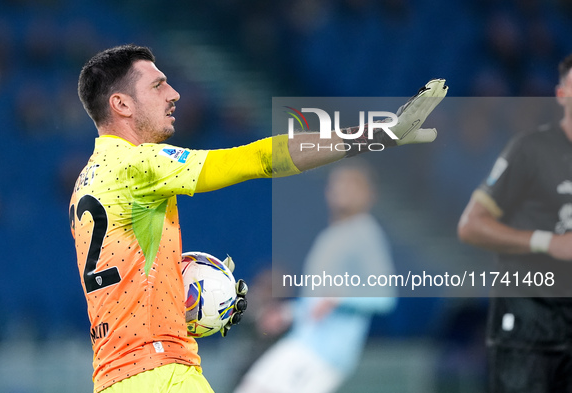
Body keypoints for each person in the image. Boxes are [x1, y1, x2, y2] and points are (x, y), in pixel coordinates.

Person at [69, 44, 447, 393]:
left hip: (113, 379)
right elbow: (260, 159)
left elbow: (130, 275)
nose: (174, 94)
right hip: (162, 375)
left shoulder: (87, 182)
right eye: (158, 86)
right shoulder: (139, 165)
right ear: (121, 104)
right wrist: (380, 134)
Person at [458, 54, 572, 392]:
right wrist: (546, 241)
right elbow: (470, 225)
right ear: (561, 94)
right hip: (528, 325)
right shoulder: (530, 150)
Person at [233, 160, 397, 393]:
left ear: (368, 194)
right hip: (304, 340)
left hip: (326, 352)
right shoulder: (332, 236)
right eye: (338, 184)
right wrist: (289, 313)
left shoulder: (365, 233)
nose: (342, 190)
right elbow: (319, 301)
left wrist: (340, 298)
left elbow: (384, 297)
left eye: (351, 185)